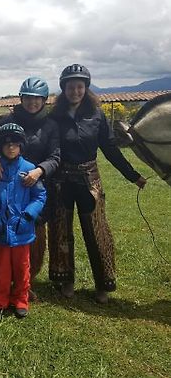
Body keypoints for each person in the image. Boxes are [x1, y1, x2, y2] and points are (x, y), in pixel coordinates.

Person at [48, 64, 147, 304]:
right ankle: (66, 279)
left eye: (80, 86)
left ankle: (102, 283)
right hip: (61, 181)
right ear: (64, 89)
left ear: (86, 88)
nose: (75, 91)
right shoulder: (55, 117)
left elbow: (110, 149)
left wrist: (132, 175)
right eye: (71, 87)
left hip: (88, 180)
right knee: (61, 231)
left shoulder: (97, 115)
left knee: (96, 232)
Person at [0, 77, 60, 298]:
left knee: (33, 235)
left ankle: (26, 284)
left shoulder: (51, 125)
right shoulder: (7, 119)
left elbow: (56, 156)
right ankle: (1, 282)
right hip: (4, 187)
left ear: (44, 100)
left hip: (35, 188)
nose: (32, 103)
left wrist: (39, 171)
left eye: (37, 99)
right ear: (21, 98)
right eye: (28, 98)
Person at [0, 123, 47, 319]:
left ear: (21, 146)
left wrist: (28, 215)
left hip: (22, 231)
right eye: (7, 144)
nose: (11, 148)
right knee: (0, 270)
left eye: (15, 144)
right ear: (0, 146)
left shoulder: (29, 169)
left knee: (22, 268)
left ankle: (20, 299)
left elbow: (40, 196)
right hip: (1, 231)